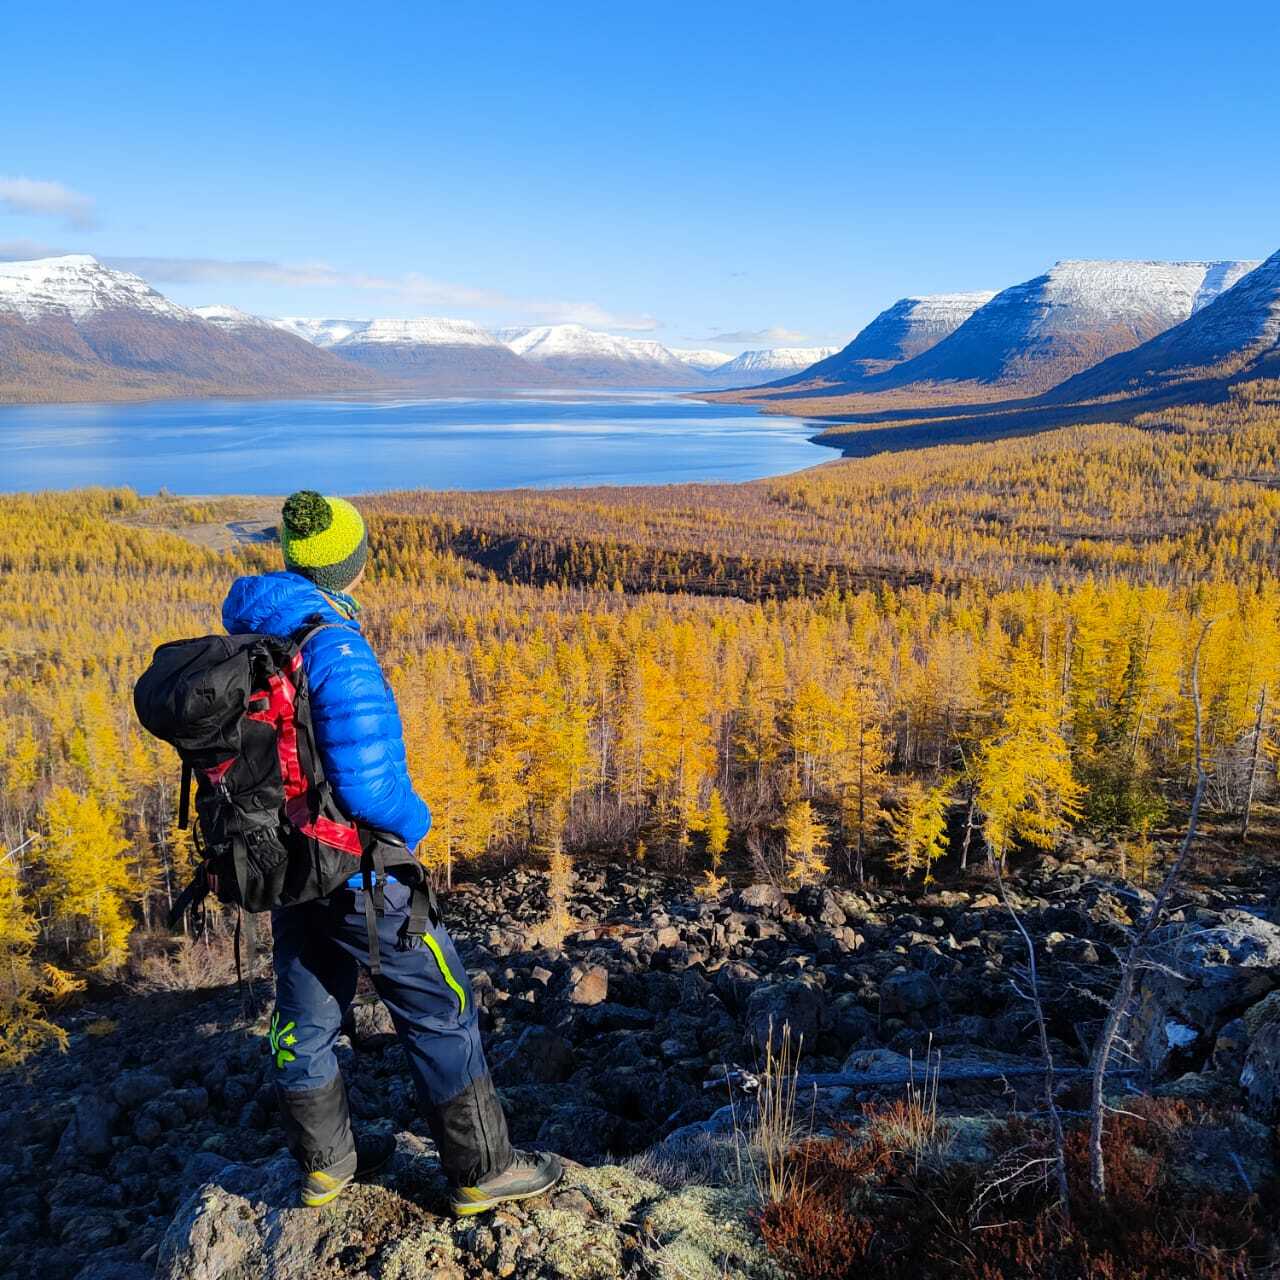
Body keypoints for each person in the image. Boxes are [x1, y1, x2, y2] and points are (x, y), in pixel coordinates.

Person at [221, 489, 562, 1213]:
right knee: (440, 1002)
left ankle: (325, 1166)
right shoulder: (334, 644)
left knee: (304, 1010)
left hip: (291, 865)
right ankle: (482, 1170)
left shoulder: (255, 632)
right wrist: (416, 824)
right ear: (352, 564)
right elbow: (370, 785)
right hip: (354, 866)